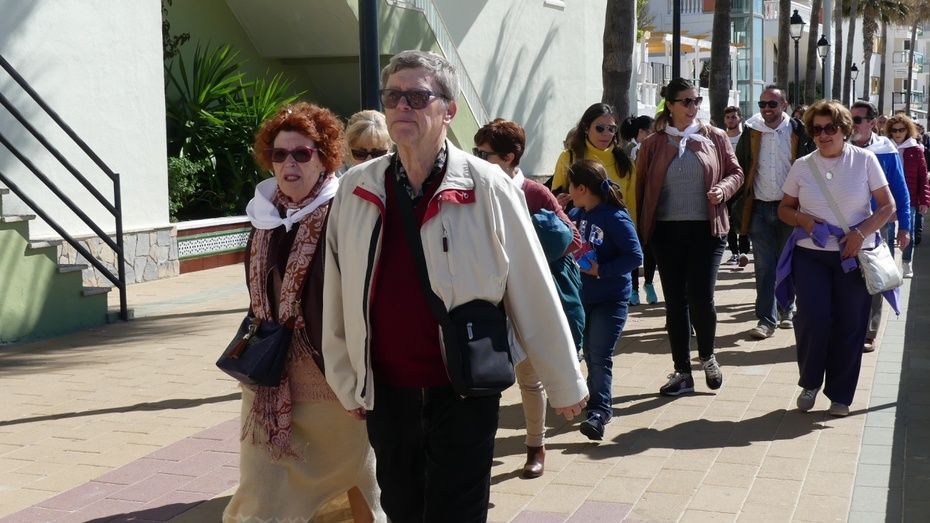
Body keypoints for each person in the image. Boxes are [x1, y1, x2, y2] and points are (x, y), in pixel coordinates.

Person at [322, 50, 588, 523]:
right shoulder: (357, 188)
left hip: (465, 385)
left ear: (449, 109)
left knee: (458, 511)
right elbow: (336, 293)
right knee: (402, 508)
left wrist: (564, 380)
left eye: (417, 96)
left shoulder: (487, 185)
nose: (402, 106)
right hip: (387, 388)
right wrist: (347, 380)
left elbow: (530, 285)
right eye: (393, 97)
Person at [224, 102, 383, 523]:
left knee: (356, 490)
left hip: (333, 381)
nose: (289, 163)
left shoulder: (345, 212)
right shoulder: (263, 217)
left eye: (302, 153)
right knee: (261, 492)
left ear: (324, 157)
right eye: (280, 154)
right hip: (270, 379)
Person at [472, 118, 584, 478]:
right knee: (481, 378)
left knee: (529, 379)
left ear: (509, 156)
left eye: (483, 154)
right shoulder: (474, 188)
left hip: (526, 298)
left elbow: (573, 239)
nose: (476, 159)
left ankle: (536, 447)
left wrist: (529, 241)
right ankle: (477, 450)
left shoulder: (534, 192)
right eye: (475, 152)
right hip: (486, 298)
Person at [775, 100, 897, 417]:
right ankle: (810, 382)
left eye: (830, 128)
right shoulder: (802, 165)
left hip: (853, 256)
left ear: (844, 129)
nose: (823, 135)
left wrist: (860, 234)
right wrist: (804, 220)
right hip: (810, 256)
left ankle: (841, 395)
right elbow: (784, 209)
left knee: (850, 324)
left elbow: (888, 206)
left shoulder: (865, 160)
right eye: (816, 129)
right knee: (812, 319)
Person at [635, 77, 744, 396]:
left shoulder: (715, 136)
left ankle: (708, 357)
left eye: (696, 100)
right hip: (666, 231)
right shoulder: (653, 144)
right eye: (686, 101)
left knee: (701, 296)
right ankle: (682, 371)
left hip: (707, 230)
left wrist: (723, 190)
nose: (693, 106)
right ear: (669, 105)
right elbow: (641, 188)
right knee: (675, 301)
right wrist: (642, 230)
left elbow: (736, 173)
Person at [567, 159, 643, 439]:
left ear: (582, 188)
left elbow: (635, 256)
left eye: (571, 185)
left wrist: (602, 270)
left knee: (598, 354)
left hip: (611, 299)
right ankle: (589, 398)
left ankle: (599, 412)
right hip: (581, 297)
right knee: (587, 352)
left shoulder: (614, 216)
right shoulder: (574, 213)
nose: (567, 190)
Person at [734, 86, 815, 340]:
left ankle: (786, 310)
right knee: (764, 266)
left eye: (772, 104)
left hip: (789, 209)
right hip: (758, 208)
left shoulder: (799, 131)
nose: (767, 109)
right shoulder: (752, 131)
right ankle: (766, 319)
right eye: (762, 104)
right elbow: (740, 166)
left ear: (784, 105)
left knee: (787, 263)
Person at [550, 103, 638, 302]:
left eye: (611, 128)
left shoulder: (625, 162)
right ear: (586, 128)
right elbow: (555, 199)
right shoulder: (569, 157)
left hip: (613, 246)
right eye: (600, 128)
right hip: (577, 243)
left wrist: (631, 237)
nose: (606, 133)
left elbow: (631, 205)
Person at [849, 101, 911, 352]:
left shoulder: (886, 149)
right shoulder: (839, 145)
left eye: (857, 120)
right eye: (850, 119)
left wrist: (905, 227)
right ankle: (847, 327)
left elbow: (900, 189)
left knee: (875, 275)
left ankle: (869, 331)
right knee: (847, 278)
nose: (852, 124)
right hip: (844, 224)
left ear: (873, 123)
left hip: (877, 224)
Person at [620, 114, 660, 305]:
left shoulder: (656, 148)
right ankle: (634, 289)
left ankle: (649, 283)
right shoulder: (632, 151)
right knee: (635, 248)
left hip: (652, 205)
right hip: (635, 206)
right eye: (651, 130)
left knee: (651, 248)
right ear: (641, 132)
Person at [886, 113, 930, 278]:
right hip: (888, 199)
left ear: (908, 130)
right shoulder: (884, 148)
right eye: (894, 130)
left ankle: (906, 263)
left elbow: (923, 177)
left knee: (907, 231)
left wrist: (924, 200)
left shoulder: (916, 149)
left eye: (901, 129)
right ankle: (890, 265)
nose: (898, 133)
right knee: (889, 233)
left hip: (909, 198)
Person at [724, 105, 751, 266]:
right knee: (729, 220)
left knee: (744, 217)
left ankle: (744, 251)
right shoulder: (722, 138)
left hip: (744, 186)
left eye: (734, 117)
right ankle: (734, 252)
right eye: (728, 117)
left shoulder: (745, 139)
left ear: (740, 118)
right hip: (727, 184)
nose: (731, 120)